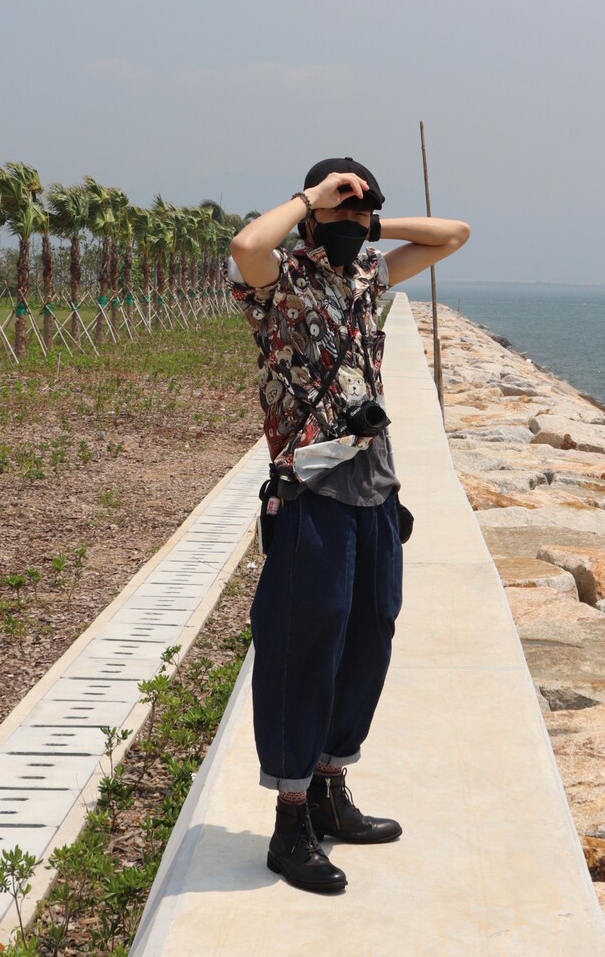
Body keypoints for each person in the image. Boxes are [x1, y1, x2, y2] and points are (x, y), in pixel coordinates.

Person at [227, 156, 469, 893]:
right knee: (303, 647)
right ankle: (291, 820)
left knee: (369, 639)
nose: (353, 221)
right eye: (344, 208)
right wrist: (313, 201)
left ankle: (331, 790)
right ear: (310, 217)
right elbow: (245, 244)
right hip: (312, 489)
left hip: (376, 488)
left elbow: (454, 234)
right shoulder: (279, 282)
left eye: (361, 211)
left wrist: (369, 220)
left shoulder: (369, 275)